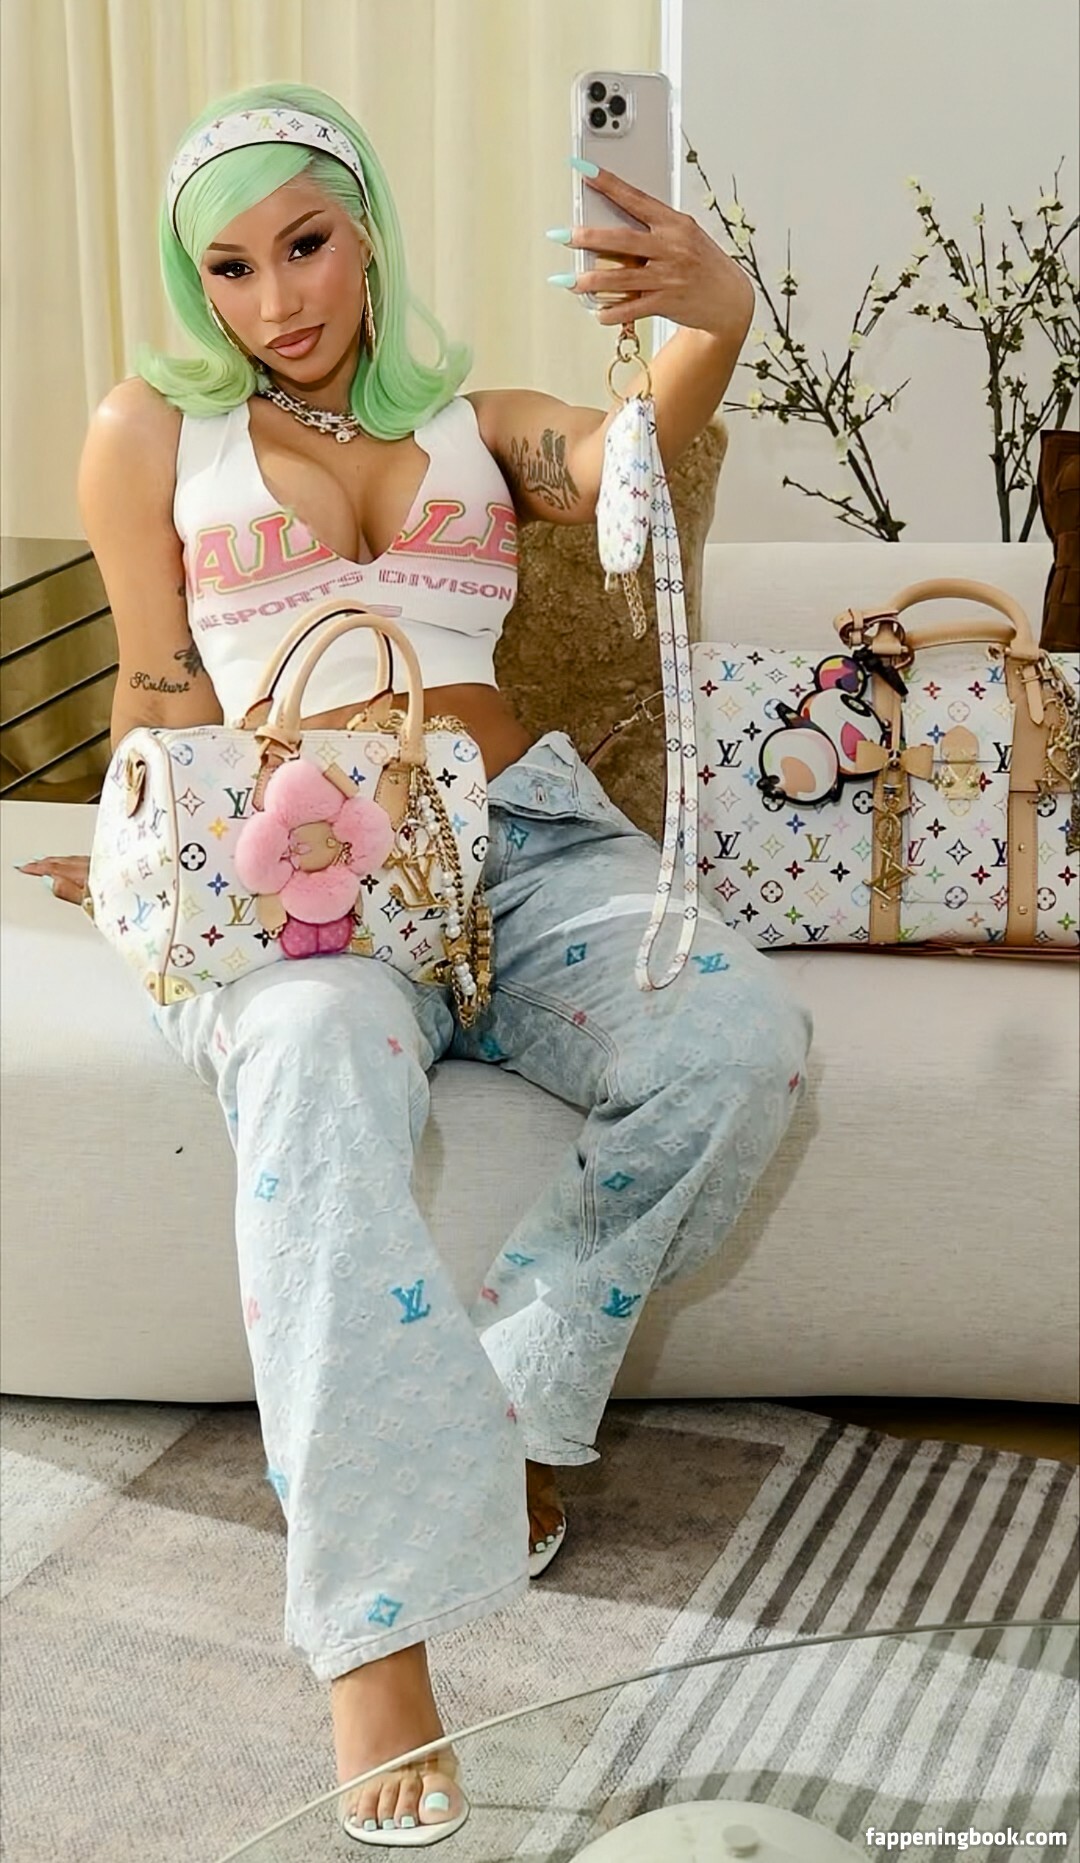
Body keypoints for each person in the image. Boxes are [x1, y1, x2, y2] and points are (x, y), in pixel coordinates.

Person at [21, 81, 812, 1848]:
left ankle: (513, 1407)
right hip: (306, 873)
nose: (274, 297)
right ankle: (375, 1642)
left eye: (304, 244)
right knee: (306, 1055)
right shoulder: (152, 431)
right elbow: (156, 690)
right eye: (228, 267)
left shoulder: (480, 423)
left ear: (366, 228)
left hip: (524, 841)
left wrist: (714, 315)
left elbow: (623, 466)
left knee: (738, 1038)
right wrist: (149, 863)